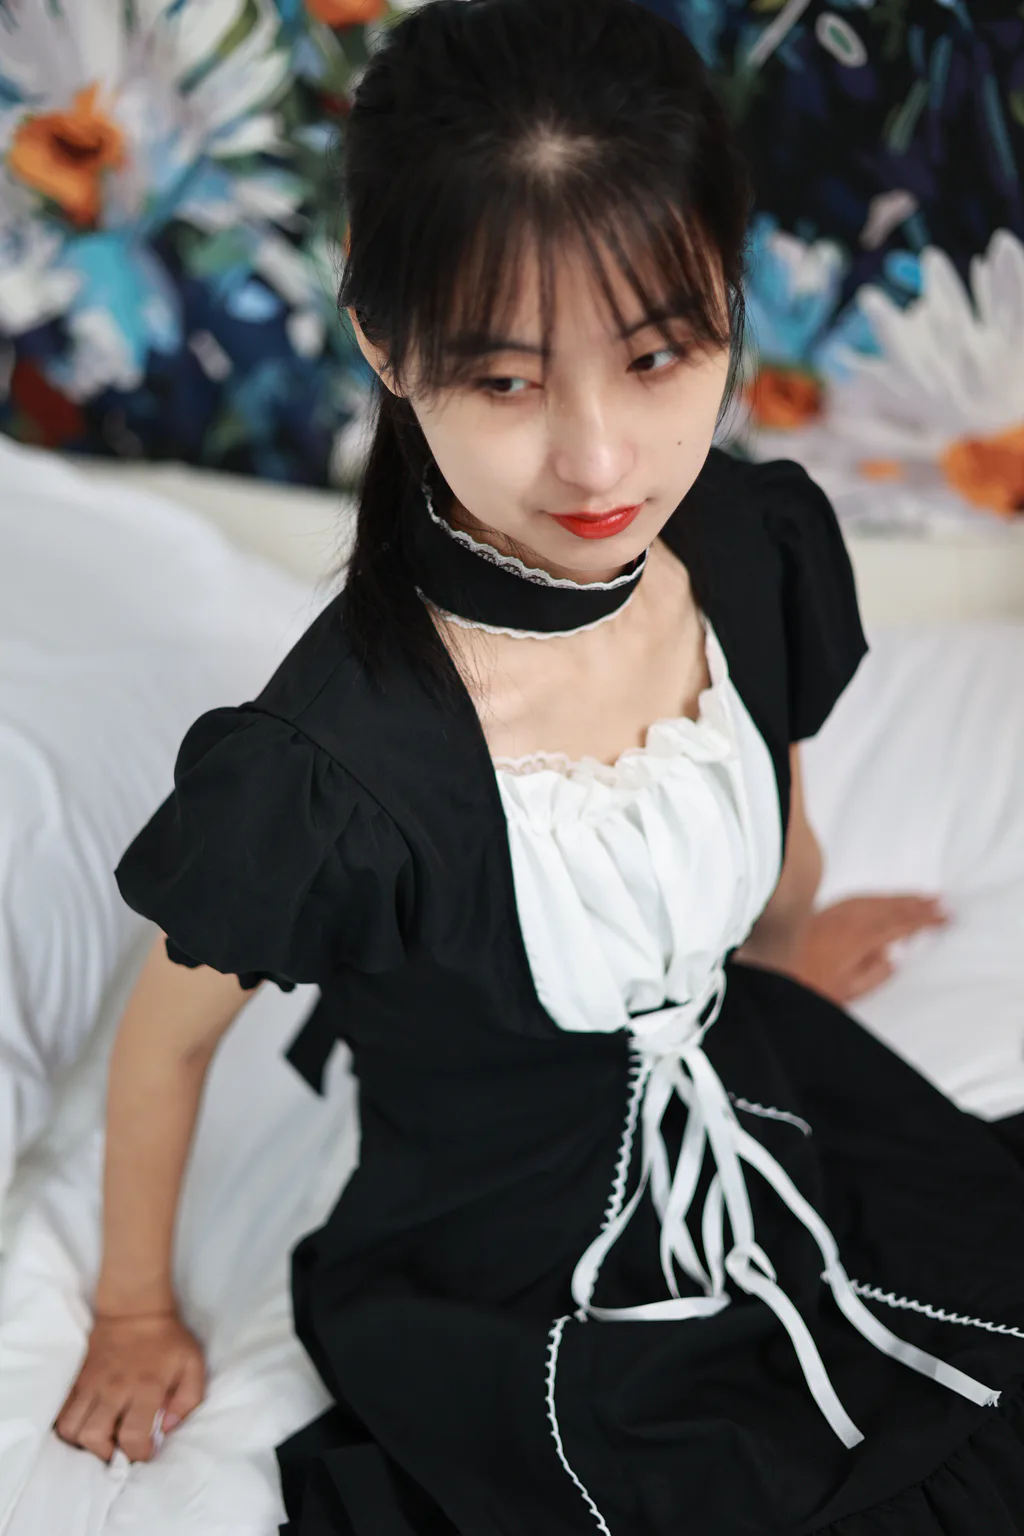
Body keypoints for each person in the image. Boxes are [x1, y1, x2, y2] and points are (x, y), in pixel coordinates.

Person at [56, 0, 1024, 1530]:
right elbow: (165, 1045)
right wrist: (129, 1311)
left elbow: (779, 815)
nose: (600, 461)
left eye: (658, 357)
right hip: (504, 1249)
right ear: (385, 338)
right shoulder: (331, 768)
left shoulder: (746, 542)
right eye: (508, 381)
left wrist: (781, 954)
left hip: (754, 1088)